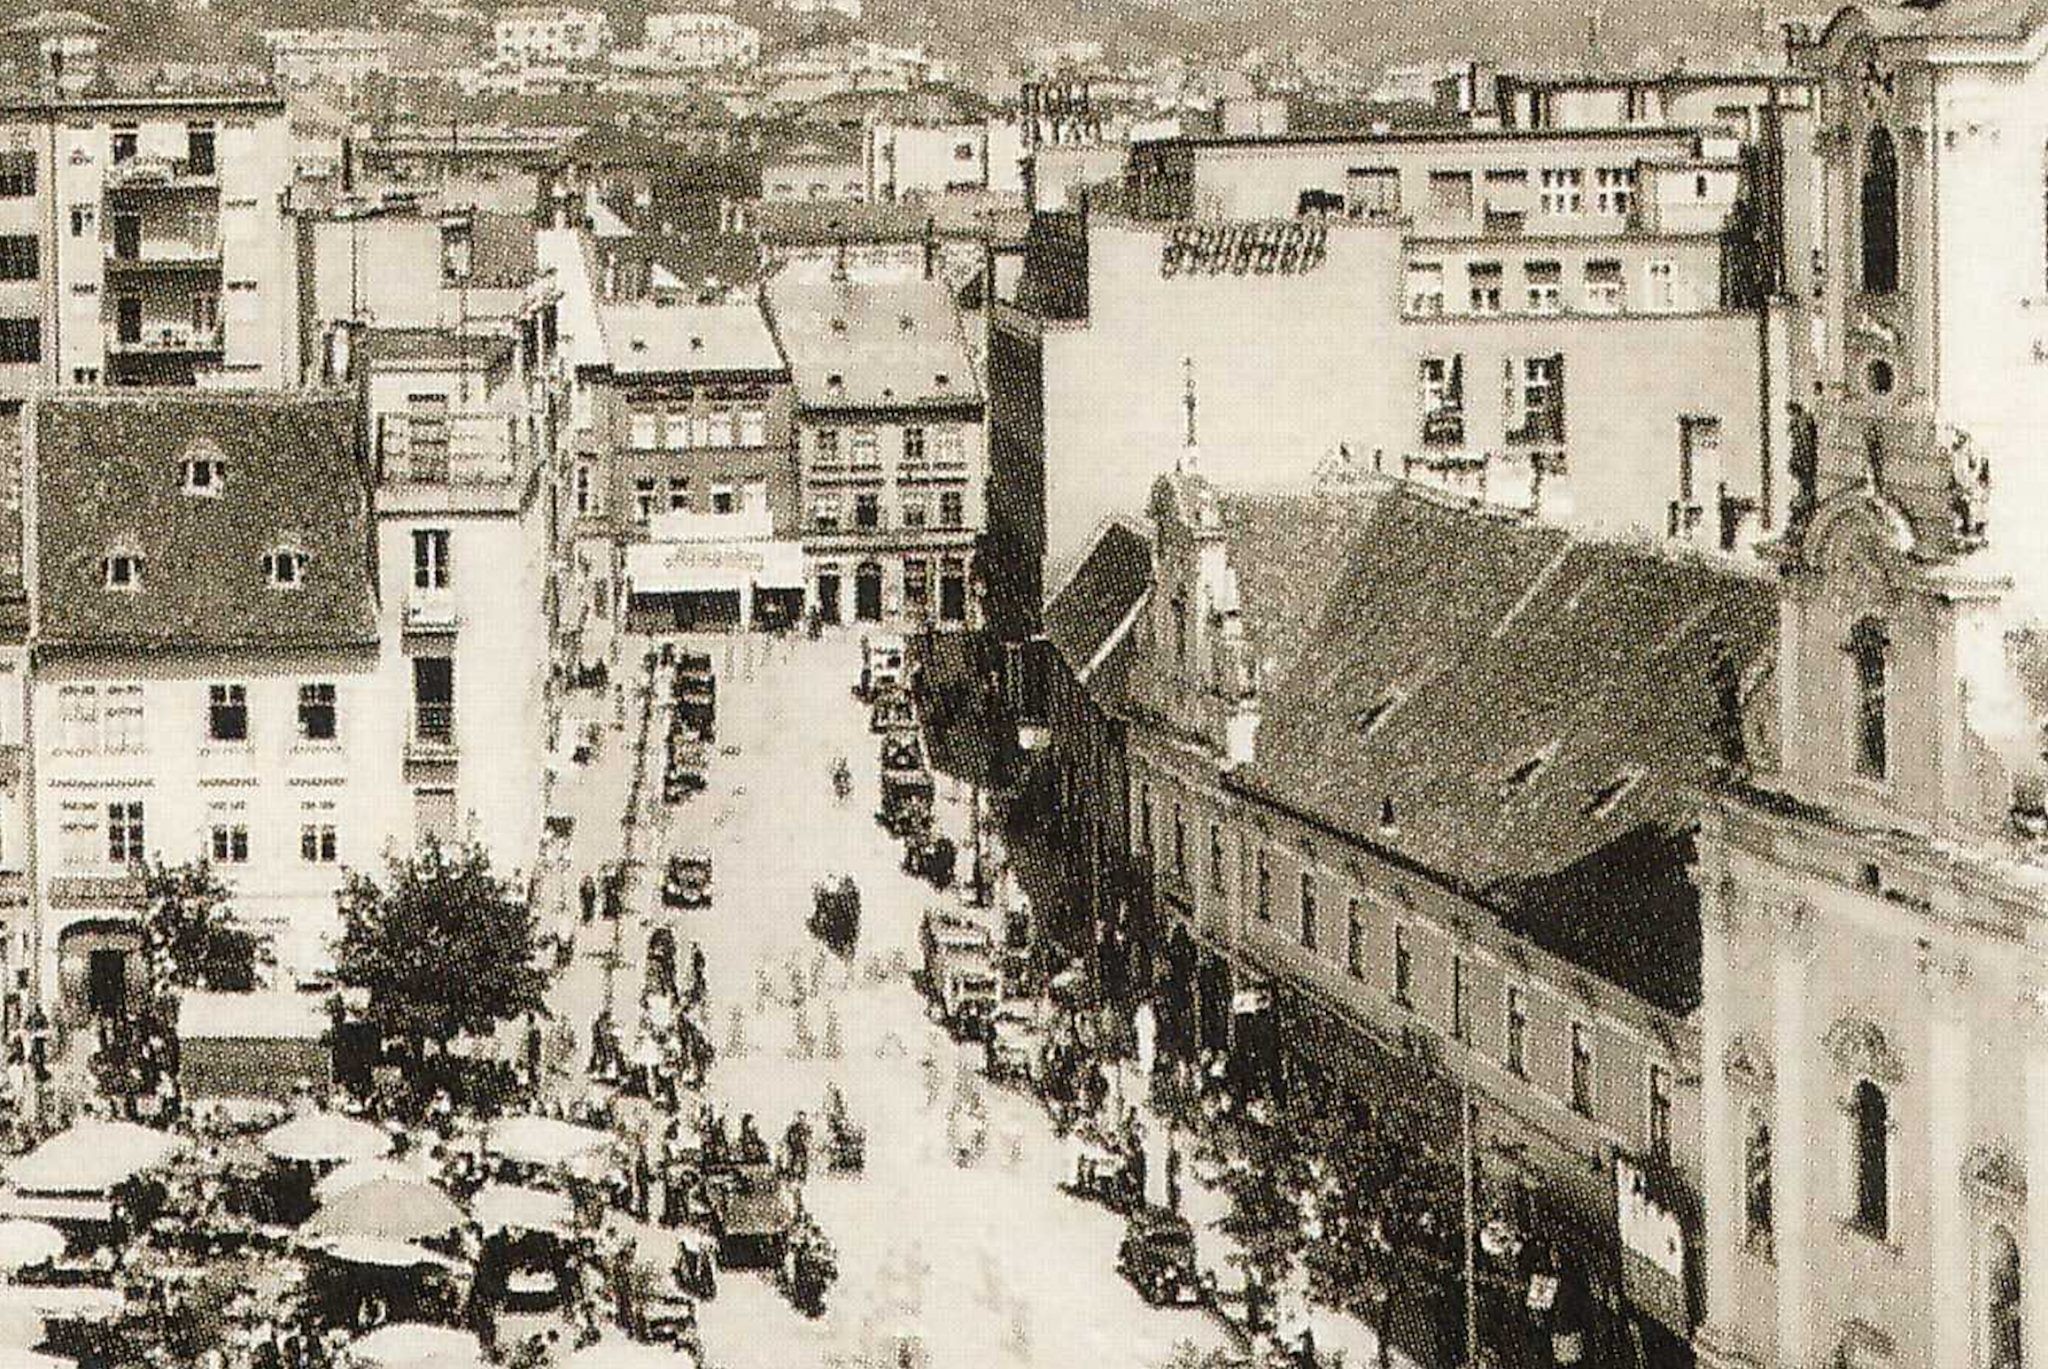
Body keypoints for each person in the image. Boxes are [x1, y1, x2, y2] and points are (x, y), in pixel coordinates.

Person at [783, 1111, 813, 1182]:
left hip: (803, 1148)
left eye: (803, 1118)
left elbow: (809, 1138)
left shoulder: (806, 1128)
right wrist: (790, 1145)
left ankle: (802, 1176)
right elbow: (787, 1138)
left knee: (803, 1162)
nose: (801, 1120)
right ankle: (791, 1176)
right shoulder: (793, 1128)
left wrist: (807, 1143)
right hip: (794, 1148)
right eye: (800, 1118)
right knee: (792, 1162)